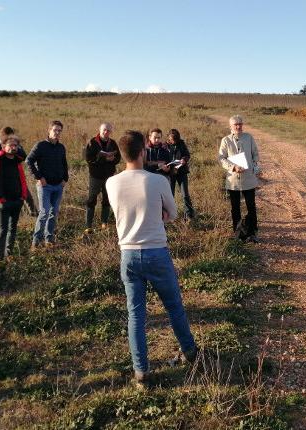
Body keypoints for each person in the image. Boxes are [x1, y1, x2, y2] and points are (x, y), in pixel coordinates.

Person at [106, 130, 197, 386]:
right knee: (174, 307)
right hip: (156, 251)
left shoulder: (111, 183)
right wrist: (160, 216)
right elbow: (174, 212)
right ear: (143, 152)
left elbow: (121, 212)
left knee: (136, 316)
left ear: (122, 154)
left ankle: (141, 371)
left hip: (128, 254)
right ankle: (190, 352)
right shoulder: (157, 181)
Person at [0, 134, 28, 268]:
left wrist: (22, 196)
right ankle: (0, 259)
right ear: (3, 146)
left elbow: (22, 179)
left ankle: (9, 254)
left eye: (16, 145)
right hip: (3, 202)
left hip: (17, 200)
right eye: (11, 145)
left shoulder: (17, 160)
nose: (13, 148)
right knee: (2, 230)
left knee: (13, 228)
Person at [26, 120, 69, 249]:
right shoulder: (40, 146)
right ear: (49, 131)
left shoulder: (61, 147)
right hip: (45, 186)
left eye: (59, 131)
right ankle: (36, 241)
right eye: (55, 130)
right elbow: (29, 161)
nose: (57, 133)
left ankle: (49, 239)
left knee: (53, 213)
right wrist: (38, 177)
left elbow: (64, 164)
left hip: (58, 186)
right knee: (44, 212)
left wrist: (65, 179)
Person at [218, 115, 260, 242]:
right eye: (235, 124)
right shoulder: (225, 140)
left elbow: (256, 154)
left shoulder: (249, 137)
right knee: (235, 208)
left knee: (251, 206)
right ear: (230, 127)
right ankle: (238, 234)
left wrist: (253, 164)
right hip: (233, 180)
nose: (238, 126)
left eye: (240, 124)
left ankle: (252, 233)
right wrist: (233, 167)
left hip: (248, 178)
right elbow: (221, 158)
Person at [0, 126, 38, 216]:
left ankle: (34, 213)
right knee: (5, 200)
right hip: (2, 176)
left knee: (25, 193)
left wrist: (15, 150)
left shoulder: (14, 141)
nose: (12, 142)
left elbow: (24, 156)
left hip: (15, 172)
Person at [83, 122, 120, 234]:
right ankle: (88, 225)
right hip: (95, 176)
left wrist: (112, 159)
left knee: (107, 199)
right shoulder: (92, 142)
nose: (106, 132)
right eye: (104, 130)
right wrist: (104, 159)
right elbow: (88, 158)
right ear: (99, 130)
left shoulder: (113, 143)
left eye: (108, 130)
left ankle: (104, 222)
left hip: (109, 177)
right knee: (91, 199)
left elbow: (118, 158)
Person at [167, 129, 195, 220]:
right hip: (170, 173)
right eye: (171, 140)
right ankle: (170, 215)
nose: (173, 142)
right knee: (170, 195)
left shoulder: (181, 144)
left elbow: (187, 155)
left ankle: (189, 215)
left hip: (182, 172)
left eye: (175, 140)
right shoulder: (166, 146)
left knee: (185, 194)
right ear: (168, 138)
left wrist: (184, 159)